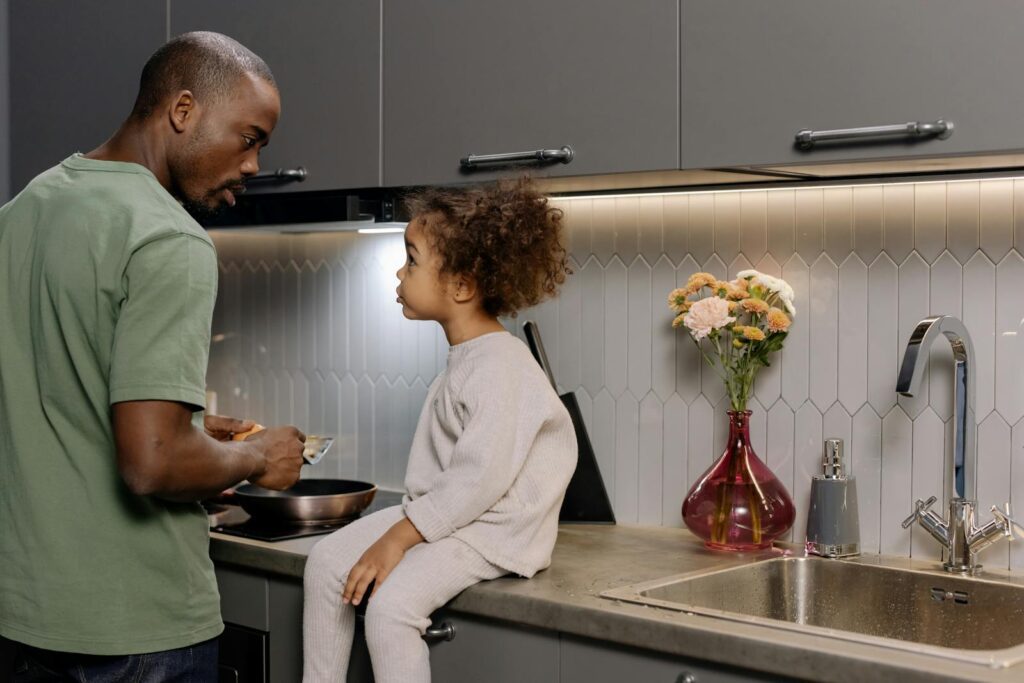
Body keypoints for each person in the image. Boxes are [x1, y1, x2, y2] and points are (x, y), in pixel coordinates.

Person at [0, 32, 306, 681]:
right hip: (137, 629)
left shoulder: (24, 210)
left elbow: (53, 396)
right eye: (250, 137)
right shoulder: (170, 239)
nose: (253, 164)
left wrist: (197, 431)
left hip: (25, 617)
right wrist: (258, 453)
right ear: (184, 110)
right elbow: (153, 461)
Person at [302, 178, 578, 683]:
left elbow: (478, 480)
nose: (399, 272)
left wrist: (397, 540)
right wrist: (404, 533)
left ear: (461, 286)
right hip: (450, 518)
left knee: (391, 609)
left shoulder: (501, 367)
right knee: (324, 562)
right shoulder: (469, 358)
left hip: (494, 532)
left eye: (411, 260)